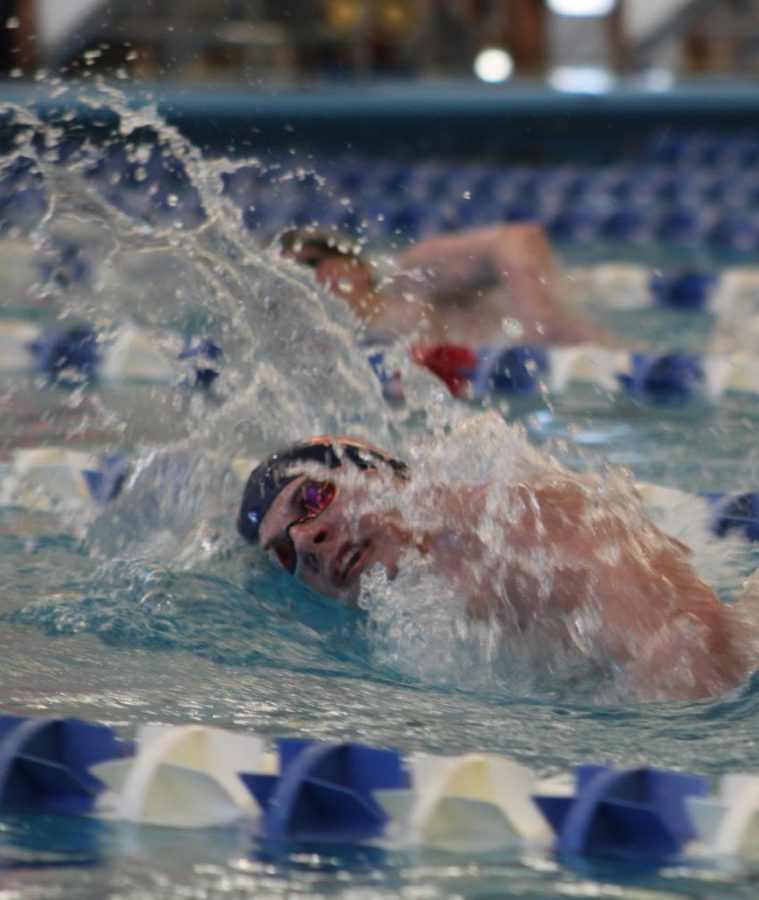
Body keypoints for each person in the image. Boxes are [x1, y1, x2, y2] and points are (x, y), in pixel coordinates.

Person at [238, 432, 758, 702]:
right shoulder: (398, 615)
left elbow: (691, 652)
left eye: (312, 497)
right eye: (285, 552)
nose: (307, 539)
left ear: (374, 470)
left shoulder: (516, 529)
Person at [279, 223, 604, 348]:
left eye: (310, 263)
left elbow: (517, 238)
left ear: (358, 265)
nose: (302, 279)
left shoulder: (412, 281)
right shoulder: (339, 343)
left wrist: (539, 318)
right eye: (286, 273)